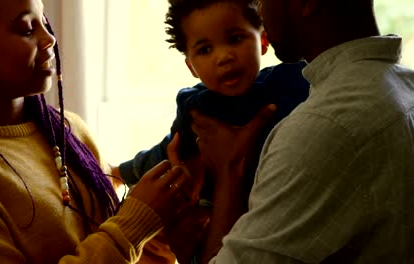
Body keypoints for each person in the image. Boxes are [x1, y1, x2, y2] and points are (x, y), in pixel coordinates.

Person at [0, 0, 195, 263]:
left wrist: (166, 227)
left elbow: (122, 249)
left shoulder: (69, 131)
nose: (49, 39)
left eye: (44, 22)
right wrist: (135, 224)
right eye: (27, 29)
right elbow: (122, 236)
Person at [189, 0, 414, 263]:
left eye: (261, 0)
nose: (259, 11)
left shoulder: (324, 126)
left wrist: (230, 171)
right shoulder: (404, 87)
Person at [111, 0, 309, 263]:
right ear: (191, 66)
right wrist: (121, 172)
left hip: (275, 209)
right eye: (205, 49)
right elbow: (166, 151)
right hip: (213, 212)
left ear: (262, 41)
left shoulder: (291, 82)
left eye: (235, 38)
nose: (224, 56)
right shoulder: (197, 108)